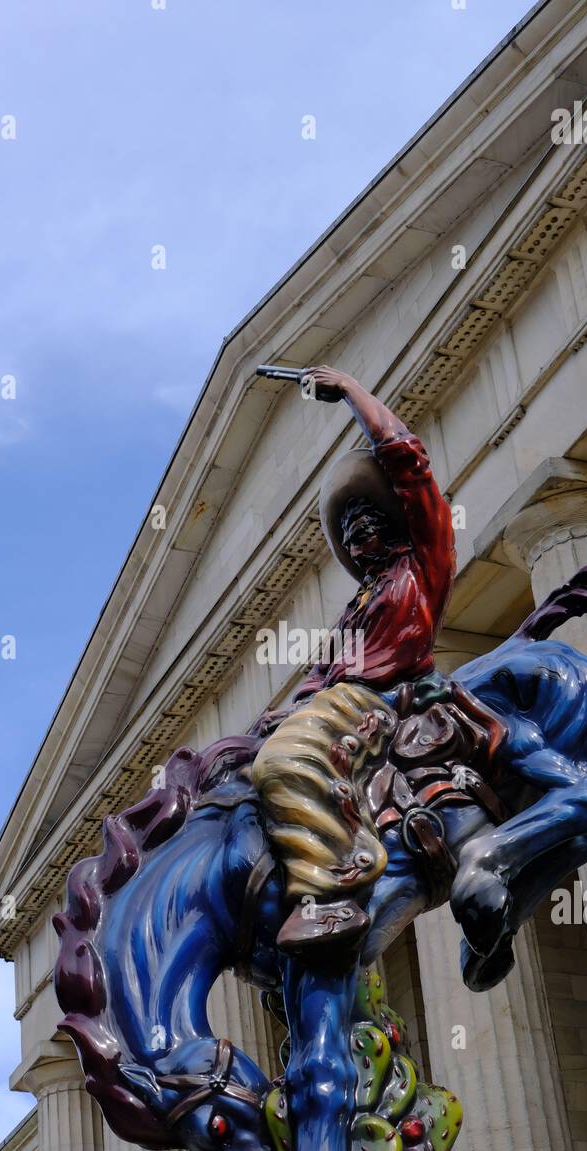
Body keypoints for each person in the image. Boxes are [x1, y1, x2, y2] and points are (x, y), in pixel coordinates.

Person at [251, 365, 455, 954]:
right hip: (342, 701)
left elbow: (408, 461)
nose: (358, 533)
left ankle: (331, 894)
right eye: (347, 529)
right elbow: (321, 677)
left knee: (282, 764)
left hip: (380, 704)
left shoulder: (423, 566)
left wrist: (350, 393)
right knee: (242, 768)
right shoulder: (358, 609)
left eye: (367, 521)